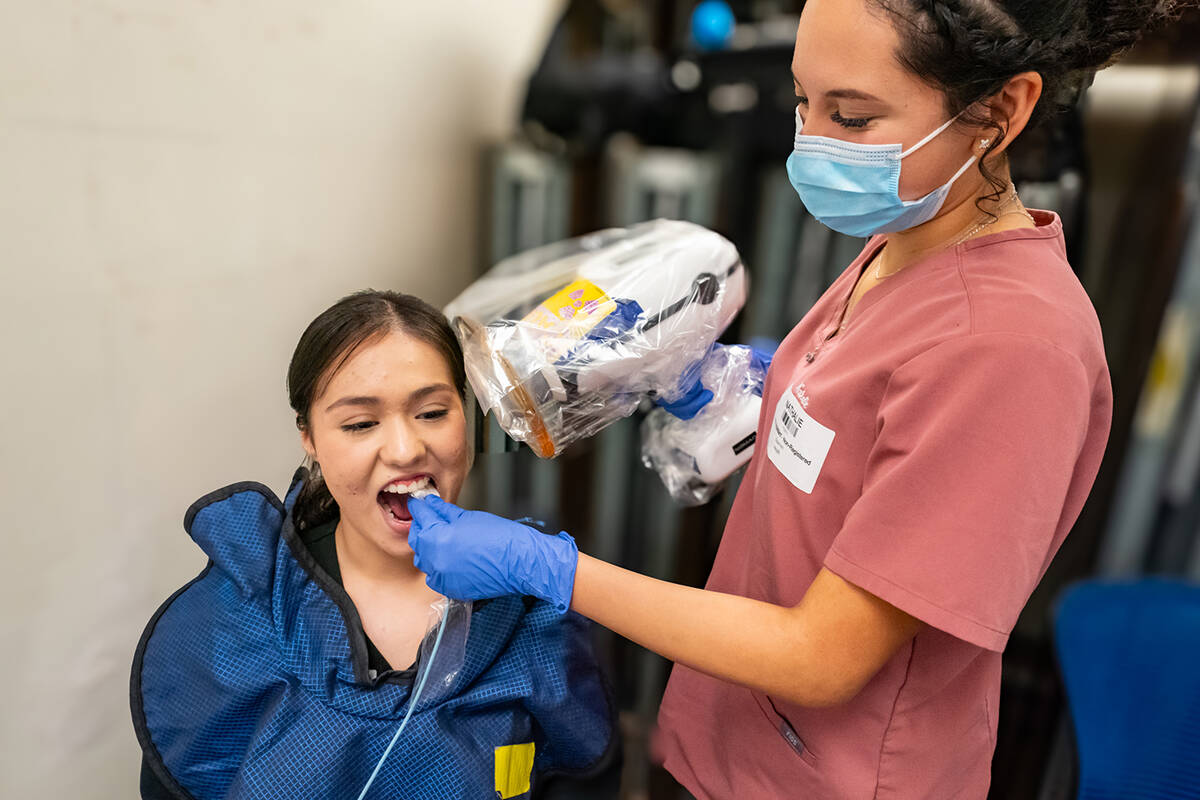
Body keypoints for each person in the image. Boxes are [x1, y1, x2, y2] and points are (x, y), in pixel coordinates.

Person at [405, 1, 1194, 797]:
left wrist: (548, 569)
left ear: (1002, 109)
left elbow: (822, 658)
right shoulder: (906, 246)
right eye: (801, 102)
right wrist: (749, 396)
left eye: (850, 117)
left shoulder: (1013, 348)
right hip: (729, 736)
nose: (809, 143)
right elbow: (872, 441)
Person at [130, 290, 619, 800]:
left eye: (432, 412)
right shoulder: (230, 624)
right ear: (310, 439)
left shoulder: (537, 612)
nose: (406, 449)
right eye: (361, 423)